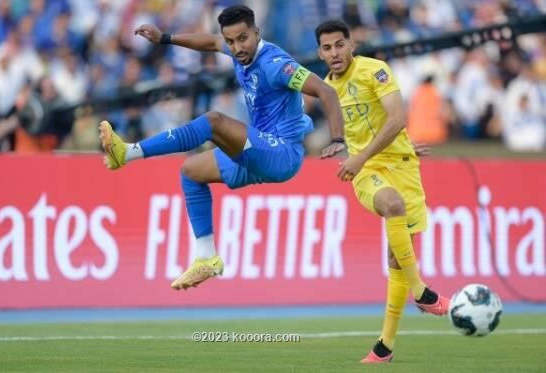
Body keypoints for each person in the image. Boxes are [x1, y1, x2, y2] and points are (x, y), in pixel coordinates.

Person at [99, 6, 346, 290]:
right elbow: (210, 42)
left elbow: (326, 91)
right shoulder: (236, 49)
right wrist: (165, 38)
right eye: (231, 41)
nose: (236, 47)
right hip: (258, 150)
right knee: (191, 171)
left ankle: (128, 152)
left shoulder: (276, 63)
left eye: (243, 38)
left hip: (283, 153)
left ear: (256, 32)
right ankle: (206, 257)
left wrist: (337, 138)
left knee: (214, 121)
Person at [314, 20, 450, 364]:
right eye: (327, 48)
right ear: (320, 53)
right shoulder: (325, 91)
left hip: (402, 166)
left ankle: (384, 348)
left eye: (339, 45)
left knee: (396, 260)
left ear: (351, 46)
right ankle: (423, 292)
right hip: (366, 171)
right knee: (392, 204)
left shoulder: (375, 71)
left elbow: (396, 120)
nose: (334, 53)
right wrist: (356, 158)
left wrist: (395, 149)